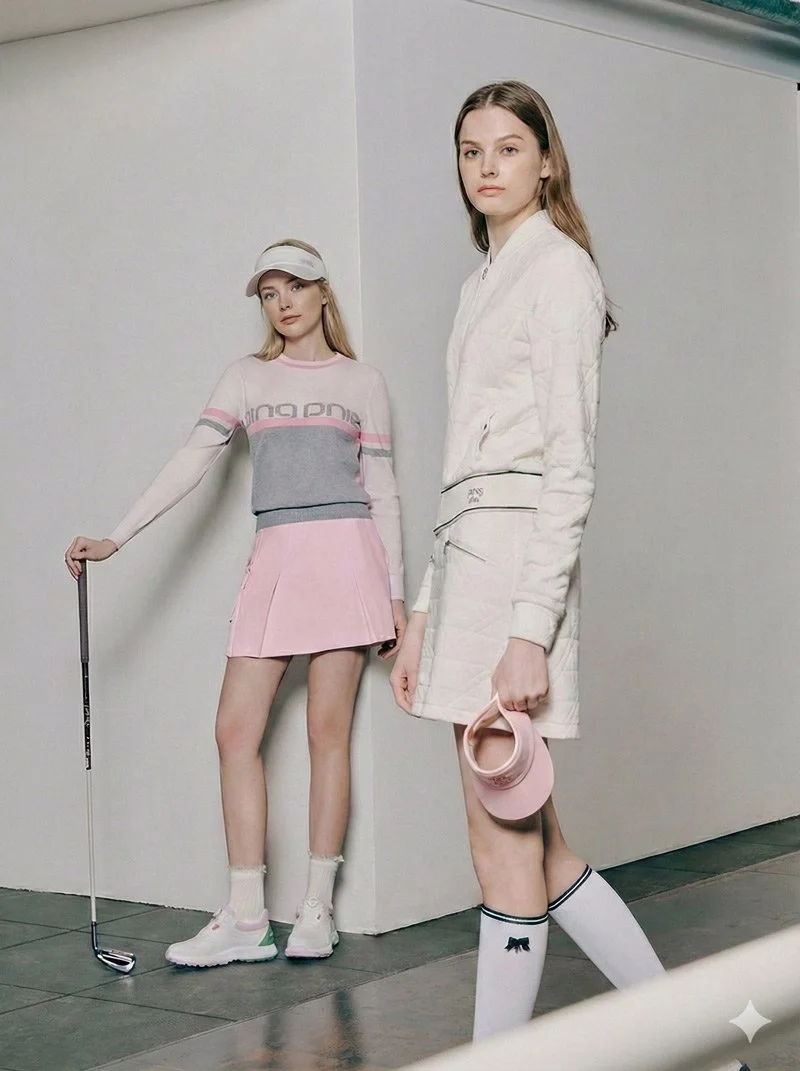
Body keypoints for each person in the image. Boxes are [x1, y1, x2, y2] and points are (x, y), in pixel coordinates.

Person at [389, 82, 748, 1071]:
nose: (488, 165)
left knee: (500, 846)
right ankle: (713, 1047)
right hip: (466, 569)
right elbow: (466, 463)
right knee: (537, 847)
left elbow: (566, 467)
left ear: (547, 161)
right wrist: (423, 612)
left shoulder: (556, 273)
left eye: (508, 147)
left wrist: (527, 626)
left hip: (510, 573)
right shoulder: (486, 279)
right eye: (470, 150)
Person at [65, 239, 406, 966]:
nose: (282, 302)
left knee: (327, 734)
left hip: (347, 555)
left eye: (295, 287)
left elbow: (383, 491)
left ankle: (317, 909)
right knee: (234, 731)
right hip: (277, 554)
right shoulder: (246, 377)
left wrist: (398, 595)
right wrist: (116, 537)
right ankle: (248, 915)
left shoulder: (364, 381)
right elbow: (192, 458)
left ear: (323, 294)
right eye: (268, 292)